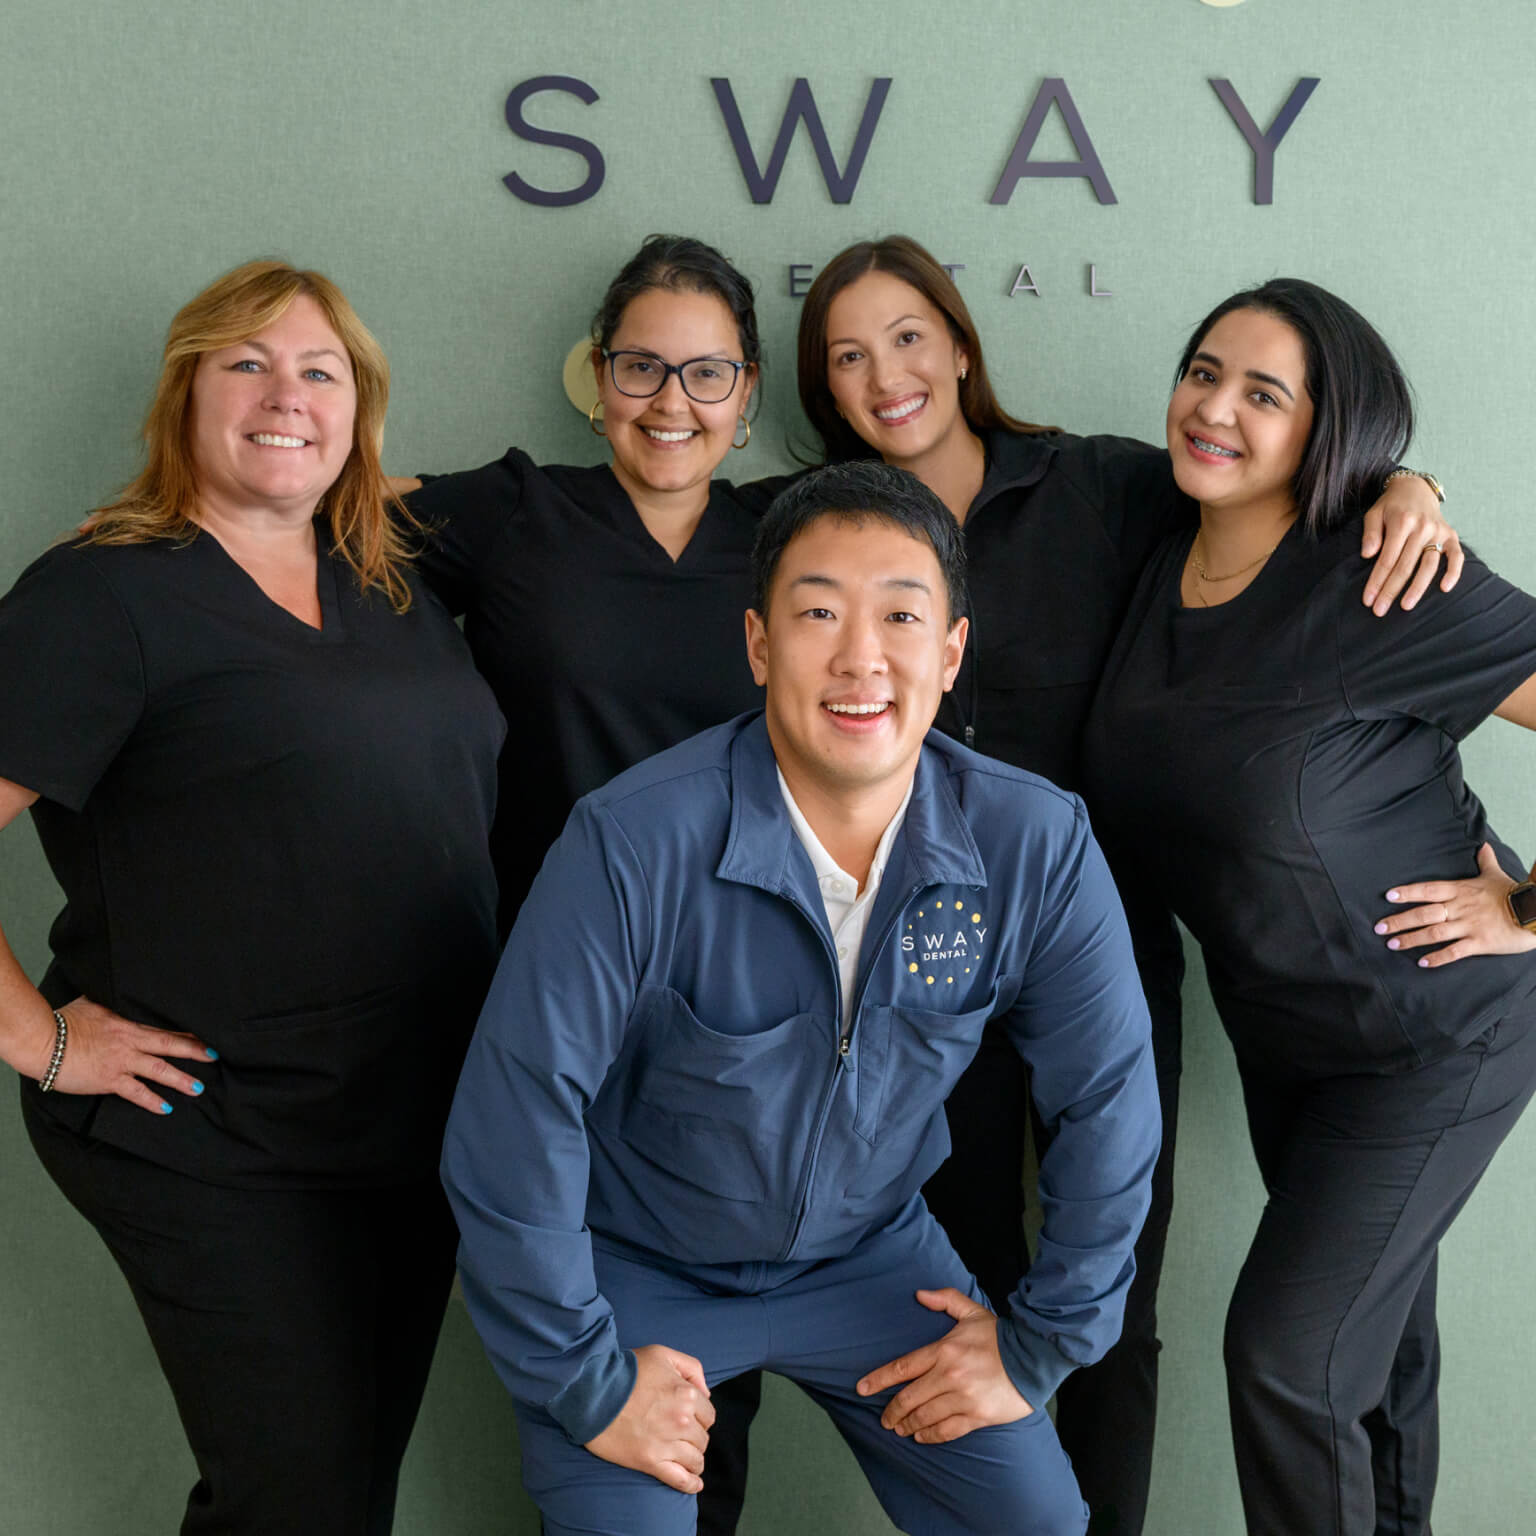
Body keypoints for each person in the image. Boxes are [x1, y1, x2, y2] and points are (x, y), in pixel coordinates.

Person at [701, 234, 1461, 1536]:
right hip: (913, 977)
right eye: (846, 354)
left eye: (906, 336)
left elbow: (1286, 496)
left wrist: (1409, 484)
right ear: (823, 390)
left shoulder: (1102, 487)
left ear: (956, 342)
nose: (885, 373)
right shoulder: (824, 537)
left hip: (1107, 963)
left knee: (1111, 1300)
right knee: (954, 1294)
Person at [442, 461, 1161, 1536]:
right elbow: (514, 1119)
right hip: (636, 1264)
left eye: (902, 616)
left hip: (872, 1262)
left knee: (1038, 1523)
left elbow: (1109, 1099)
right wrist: (586, 1378)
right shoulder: (631, 841)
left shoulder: (1035, 843)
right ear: (760, 645)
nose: (860, 656)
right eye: (818, 611)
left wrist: (1039, 1345)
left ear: (952, 651)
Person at [0, 260, 504, 1535]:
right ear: (187, 398)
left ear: (358, 413)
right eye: (248, 364)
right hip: (219, 1143)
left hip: (405, 1128)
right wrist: (45, 1043)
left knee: (337, 1493)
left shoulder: (393, 582)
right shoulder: (102, 594)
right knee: (304, 1503)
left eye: (320, 372)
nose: (287, 396)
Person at [1080, 278, 1536, 1535]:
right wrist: (1414, 472)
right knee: (1371, 1361)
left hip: (1439, 1041)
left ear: (1327, 431)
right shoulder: (1149, 542)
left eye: (1263, 394)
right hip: (1290, 1043)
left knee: (1287, 1361)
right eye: (1203, 368)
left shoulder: (1384, 579)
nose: (1213, 407)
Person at [395, 234, 769, 936]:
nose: (671, 401)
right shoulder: (519, 509)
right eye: (641, 368)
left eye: (708, 374)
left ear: (745, 387)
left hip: (733, 951)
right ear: (601, 375)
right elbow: (317, 507)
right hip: (542, 943)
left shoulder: (786, 535)